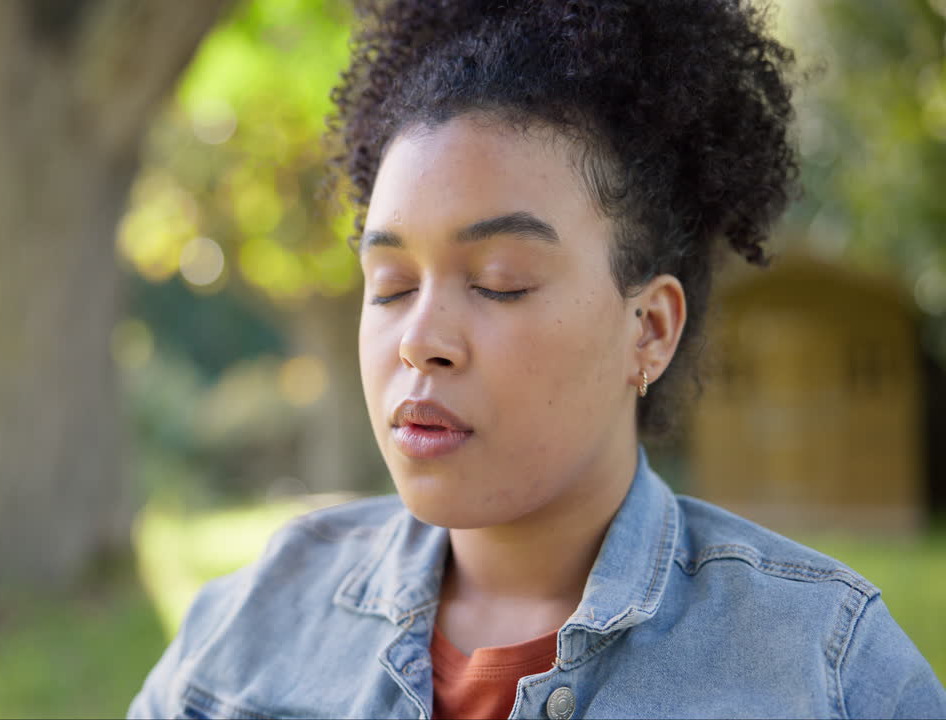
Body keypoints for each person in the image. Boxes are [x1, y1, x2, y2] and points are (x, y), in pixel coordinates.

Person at [129, 0, 946, 717]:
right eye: (391, 284)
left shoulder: (823, 670)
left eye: (500, 283)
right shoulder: (246, 633)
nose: (420, 338)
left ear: (650, 330)